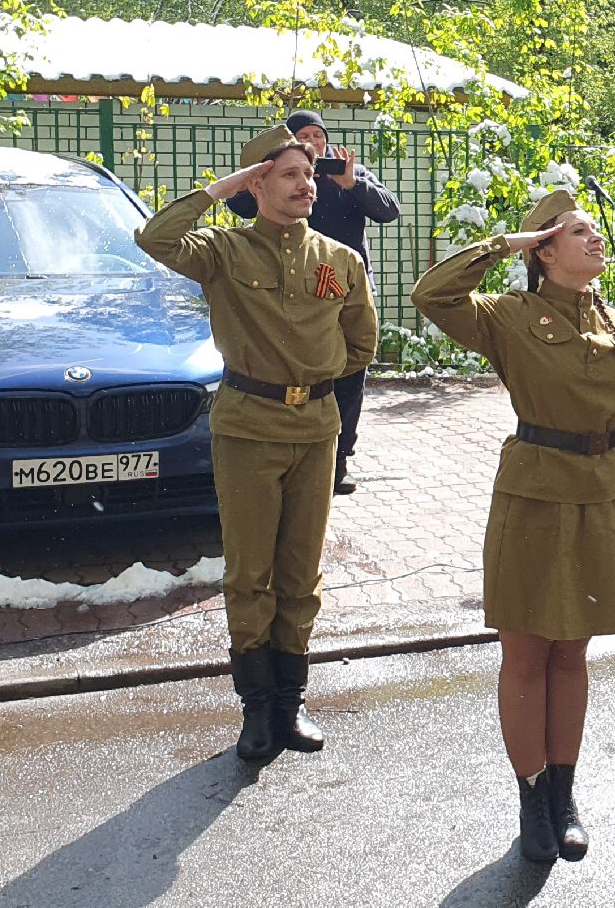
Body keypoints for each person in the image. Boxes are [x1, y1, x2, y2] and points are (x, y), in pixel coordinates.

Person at [410, 189, 615, 864]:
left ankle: (564, 793)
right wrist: (508, 243)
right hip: (535, 494)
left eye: (596, 229)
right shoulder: (509, 315)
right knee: (528, 652)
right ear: (544, 250)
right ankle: (531, 796)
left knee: (572, 652)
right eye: (578, 232)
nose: (596, 239)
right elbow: (433, 294)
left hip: (598, 498)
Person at [136, 136, 377, 762]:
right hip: (247, 426)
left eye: (309, 175)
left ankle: (291, 704)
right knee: (250, 573)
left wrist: (311, 380)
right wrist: (223, 186)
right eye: (289, 175)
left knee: (301, 572)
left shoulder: (340, 259)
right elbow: (155, 238)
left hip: (315, 428)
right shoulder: (224, 249)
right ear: (258, 187)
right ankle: (256, 712)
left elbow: (361, 345)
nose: (306, 184)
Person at [226, 111, 402, 495]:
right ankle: (287, 451)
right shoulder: (279, 179)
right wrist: (262, 172)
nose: (314, 142)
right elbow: (238, 207)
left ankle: (338, 459)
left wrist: (352, 183)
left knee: (350, 372)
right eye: (303, 135)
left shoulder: (350, 174)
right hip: (289, 289)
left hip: (344, 288)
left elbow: (389, 210)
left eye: (318, 135)